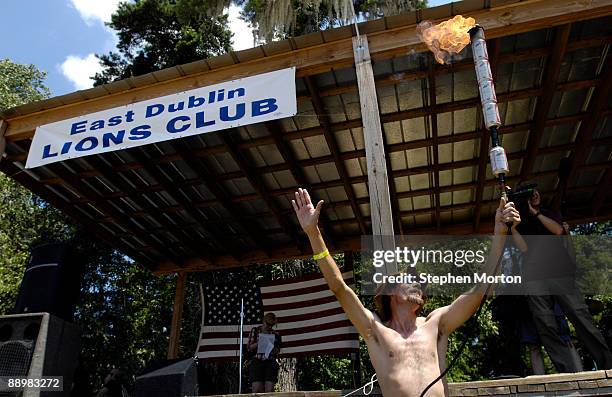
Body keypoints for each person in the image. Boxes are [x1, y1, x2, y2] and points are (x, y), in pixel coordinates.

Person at [291, 188, 519, 397]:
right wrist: (313, 233)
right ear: (390, 291)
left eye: (420, 282)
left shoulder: (436, 323)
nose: (417, 284)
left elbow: (480, 291)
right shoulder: (376, 331)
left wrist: (499, 233)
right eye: (409, 279)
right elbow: (339, 287)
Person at [511, 182, 612, 372]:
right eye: (531, 193)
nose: (535, 195)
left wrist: (537, 214)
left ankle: (607, 363)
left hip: (559, 271)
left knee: (579, 314)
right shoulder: (520, 221)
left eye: (537, 192)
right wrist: (514, 228)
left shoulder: (549, 213)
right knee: (544, 322)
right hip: (534, 275)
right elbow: (523, 248)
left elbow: (557, 231)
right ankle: (567, 370)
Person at [247, 312, 282, 393]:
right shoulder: (255, 331)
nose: (269, 327)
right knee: (256, 389)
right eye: (268, 324)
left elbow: (278, 351)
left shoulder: (276, 334)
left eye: (271, 325)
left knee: (269, 390)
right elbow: (249, 348)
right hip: (257, 362)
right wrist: (259, 343)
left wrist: (273, 347)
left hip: (270, 362)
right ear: (263, 321)